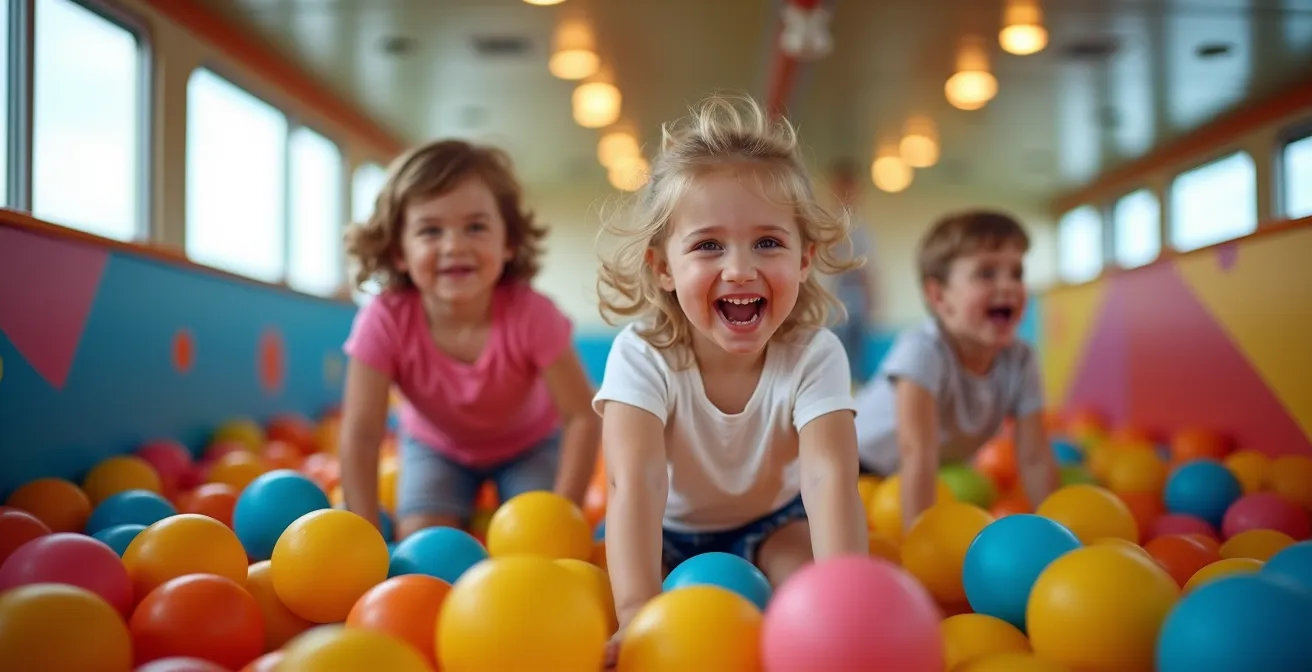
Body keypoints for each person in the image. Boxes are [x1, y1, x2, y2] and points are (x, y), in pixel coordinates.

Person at [593, 94, 870, 658]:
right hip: (664, 533)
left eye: (768, 242)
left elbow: (828, 478)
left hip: (773, 522)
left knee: (804, 587)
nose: (740, 269)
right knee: (604, 586)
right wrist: (636, 614)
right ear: (664, 267)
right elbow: (635, 483)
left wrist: (846, 603)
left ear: (803, 259)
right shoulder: (641, 354)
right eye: (708, 245)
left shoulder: (815, 354)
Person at [337, 139, 601, 540]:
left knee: (537, 543)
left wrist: (564, 512)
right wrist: (365, 532)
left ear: (508, 241)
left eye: (475, 227)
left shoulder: (532, 313)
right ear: (399, 252)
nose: (454, 246)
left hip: (531, 446)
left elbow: (582, 416)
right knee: (424, 544)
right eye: (430, 230)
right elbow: (361, 431)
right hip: (436, 449)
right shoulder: (384, 320)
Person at [852, 210, 1058, 531]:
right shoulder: (923, 350)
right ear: (939, 297)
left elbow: (1033, 456)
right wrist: (920, 543)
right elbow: (916, 452)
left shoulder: (1021, 360)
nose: (1008, 285)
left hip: (911, 476)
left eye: (1016, 273)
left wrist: (1054, 527)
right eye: (987, 273)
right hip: (856, 463)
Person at [820, 158, 878, 383]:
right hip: (832, 308)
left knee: (856, 365)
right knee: (834, 362)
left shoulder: (863, 231)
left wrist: (872, 303)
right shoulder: (826, 228)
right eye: (842, 189)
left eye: (852, 189)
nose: (847, 195)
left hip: (858, 310)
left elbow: (869, 272)